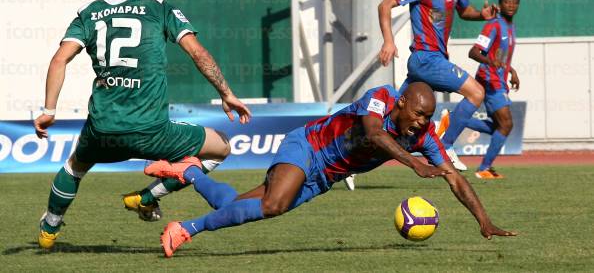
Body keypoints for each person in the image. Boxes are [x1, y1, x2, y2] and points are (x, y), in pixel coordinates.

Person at [34, 0, 251, 250]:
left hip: (103, 130)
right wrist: (226, 94)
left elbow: (59, 60)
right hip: (153, 133)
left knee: (74, 168)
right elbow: (198, 53)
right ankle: (147, 198)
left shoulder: (88, 12)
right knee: (220, 148)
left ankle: (49, 229)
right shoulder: (158, 8)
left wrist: (48, 110)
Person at [145, 82, 516, 258]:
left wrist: (483, 220)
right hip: (306, 145)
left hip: (325, 177)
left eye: (429, 117)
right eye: (419, 114)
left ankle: (190, 172)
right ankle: (184, 229)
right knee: (273, 205)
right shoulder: (381, 97)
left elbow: (454, 177)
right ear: (402, 103)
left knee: (235, 208)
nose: (423, 122)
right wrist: (415, 164)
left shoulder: (424, 139)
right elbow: (373, 133)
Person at [378, 0, 497, 171]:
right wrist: (389, 41)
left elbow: (465, 11)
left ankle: (348, 157)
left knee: (391, 125)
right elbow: (385, 5)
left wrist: (480, 16)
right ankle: (447, 144)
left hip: (432, 61)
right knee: (476, 92)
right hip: (425, 58)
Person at [463, 0, 520, 179]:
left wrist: (511, 71)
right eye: (507, 2)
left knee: (499, 126)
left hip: (499, 79)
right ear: (501, 4)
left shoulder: (511, 27)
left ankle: (455, 119)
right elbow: (474, 52)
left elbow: (500, 55)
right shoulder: (494, 25)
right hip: (490, 80)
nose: (511, 5)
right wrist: (490, 63)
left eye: (514, 2)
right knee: (506, 124)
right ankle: (483, 169)